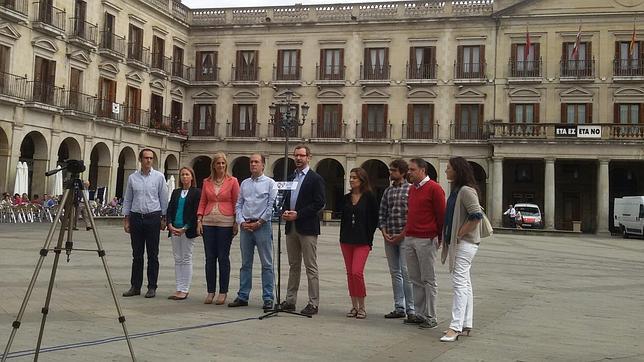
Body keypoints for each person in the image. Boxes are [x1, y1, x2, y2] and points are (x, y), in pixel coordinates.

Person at [440, 157, 483, 342]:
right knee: (465, 283)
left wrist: (458, 234)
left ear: (457, 170)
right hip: (463, 243)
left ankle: (455, 327)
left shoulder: (465, 190)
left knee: (459, 284)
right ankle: (466, 323)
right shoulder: (457, 190)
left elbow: (476, 216)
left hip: (465, 244)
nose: (446, 171)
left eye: (448, 168)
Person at [281, 145, 326, 316]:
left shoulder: (315, 179)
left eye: (301, 155)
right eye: (296, 155)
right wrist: (284, 211)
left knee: (310, 266)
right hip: (290, 227)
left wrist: (298, 214)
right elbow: (285, 198)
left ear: (309, 157)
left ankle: (313, 303)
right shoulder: (291, 177)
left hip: (307, 227)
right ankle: (290, 300)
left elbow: (319, 203)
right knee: (293, 265)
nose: (298, 158)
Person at [229, 153, 277, 311]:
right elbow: (239, 204)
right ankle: (243, 295)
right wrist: (241, 221)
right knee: (245, 263)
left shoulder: (270, 183)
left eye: (256, 162)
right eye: (251, 162)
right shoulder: (244, 183)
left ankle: (268, 297)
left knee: (267, 264)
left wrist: (259, 222)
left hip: (262, 226)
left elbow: (271, 206)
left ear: (263, 165)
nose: (253, 164)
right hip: (246, 226)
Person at [404, 158, 446, 329]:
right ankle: (420, 313)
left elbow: (441, 215)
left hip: (426, 238)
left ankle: (432, 316)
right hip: (410, 237)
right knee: (414, 278)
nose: (409, 172)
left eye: (412, 170)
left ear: (422, 170)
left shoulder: (435, 189)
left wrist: (440, 238)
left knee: (428, 278)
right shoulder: (413, 189)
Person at [122, 148, 169, 299]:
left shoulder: (159, 177)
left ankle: (152, 286)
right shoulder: (132, 178)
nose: (148, 160)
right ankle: (135, 286)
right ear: (140, 160)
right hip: (136, 217)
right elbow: (128, 198)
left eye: (151, 158)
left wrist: (164, 218)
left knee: (153, 254)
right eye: (146, 158)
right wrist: (126, 219)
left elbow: (163, 198)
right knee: (137, 254)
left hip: (153, 217)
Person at [197, 153, 240, 305]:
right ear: (213, 165)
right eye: (218, 163)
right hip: (208, 221)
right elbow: (203, 201)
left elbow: (237, 202)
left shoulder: (233, 181)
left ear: (226, 165)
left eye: (223, 163)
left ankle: (223, 291)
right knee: (209, 258)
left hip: (226, 223)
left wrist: (236, 221)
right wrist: (199, 219)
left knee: (223, 257)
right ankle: (210, 291)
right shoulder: (206, 182)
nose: (221, 166)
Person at [378, 159, 415, 321]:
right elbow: (382, 213)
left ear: (402, 172)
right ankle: (399, 306)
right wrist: (384, 232)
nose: (390, 173)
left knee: (406, 272)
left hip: (405, 236)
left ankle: (411, 308)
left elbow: (413, 216)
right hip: (389, 236)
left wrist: (402, 234)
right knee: (395, 273)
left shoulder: (411, 190)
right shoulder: (388, 191)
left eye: (393, 170)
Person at [339, 168, 378, 319]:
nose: (351, 180)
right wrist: (341, 236)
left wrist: (369, 240)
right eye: (350, 177)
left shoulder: (369, 197)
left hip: (362, 241)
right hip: (346, 240)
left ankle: (362, 306)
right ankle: (354, 305)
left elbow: (374, 220)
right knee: (350, 274)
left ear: (362, 180)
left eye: (354, 177)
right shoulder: (346, 198)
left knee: (357, 272)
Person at [167, 166, 201, 301]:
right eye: (182, 175)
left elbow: (195, 212)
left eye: (187, 174)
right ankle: (178, 287)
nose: (184, 177)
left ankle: (185, 289)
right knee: (177, 258)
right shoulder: (176, 192)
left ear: (192, 177)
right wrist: (170, 225)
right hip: (174, 228)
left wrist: (185, 227)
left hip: (187, 230)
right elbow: (170, 209)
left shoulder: (196, 192)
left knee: (186, 258)